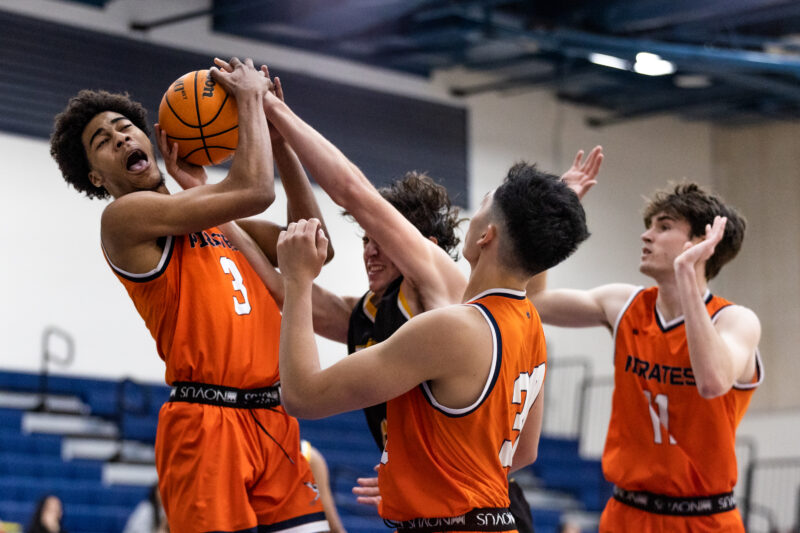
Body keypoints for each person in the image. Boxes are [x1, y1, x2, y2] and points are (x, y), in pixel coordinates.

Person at [250, 77, 602, 530]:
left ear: (487, 235)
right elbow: (524, 451)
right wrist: (420, 475)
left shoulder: (449, 323)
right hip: (494, 516)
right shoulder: (529, 322)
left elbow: (300, 395)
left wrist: (299, 279)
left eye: (482, 205)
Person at [49, 57, 328, 533]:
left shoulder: (221, 221)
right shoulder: (123, 220)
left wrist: (280, 143)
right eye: (103, 141)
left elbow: (316, 241)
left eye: (125, 128)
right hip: (205, 422)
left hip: (274, 418)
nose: (121, 138)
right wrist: (249, 102)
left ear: (149, 137)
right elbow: (255, 188)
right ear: (95, 176)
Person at [527, 182, 762, 532]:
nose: (646, 235)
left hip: (705, 518)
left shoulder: (735, 320)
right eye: (649, 225)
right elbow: (534, 302)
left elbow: (712, 382)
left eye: (663, 226)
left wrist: (687, 275)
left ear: (701, 242)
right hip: (628, 513)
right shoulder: (623, 304)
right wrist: (554, 217)